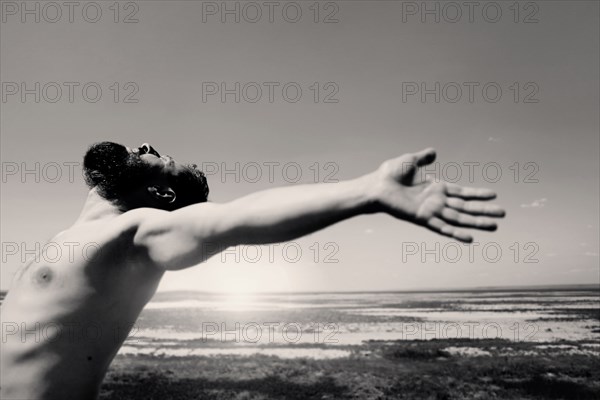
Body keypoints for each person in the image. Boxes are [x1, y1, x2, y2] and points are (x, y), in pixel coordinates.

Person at [0, 142, 505, 399]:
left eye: (159, 157)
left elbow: (232, 219)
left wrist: (366, 191)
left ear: (164, 195)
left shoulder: (136, 231)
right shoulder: (66, 240)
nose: (148, 145)